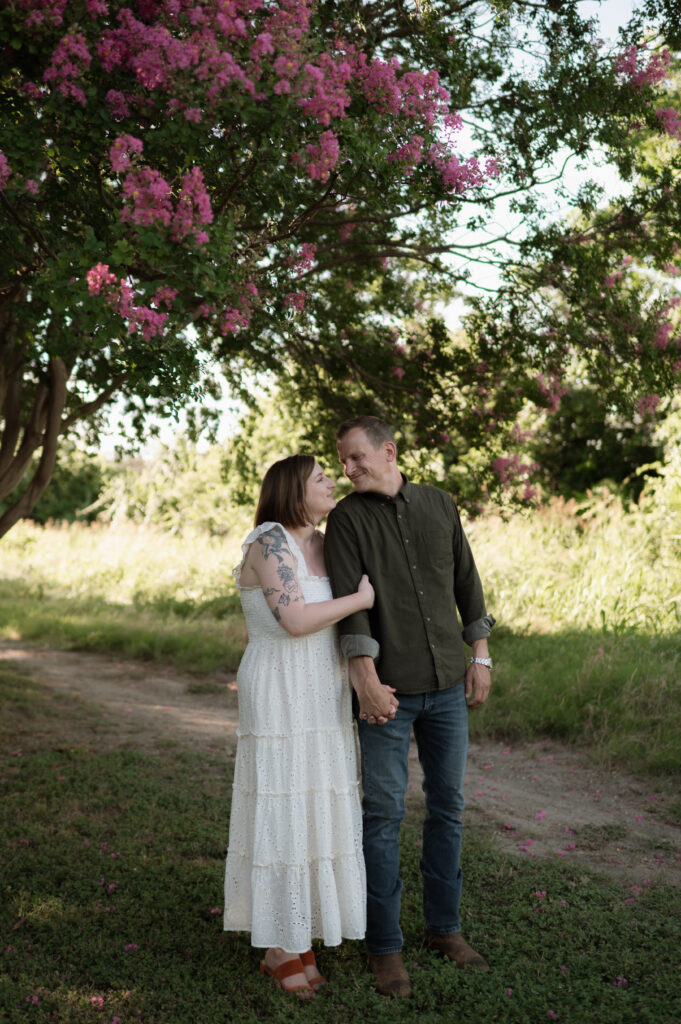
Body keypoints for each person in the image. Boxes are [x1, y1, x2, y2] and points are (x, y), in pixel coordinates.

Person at [324, 416, 495, 999]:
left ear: (389, 451)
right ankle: (385, 946)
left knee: (448, 808)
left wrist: (481, 655)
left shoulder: (440, 505)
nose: (348, 468)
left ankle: (444, 929)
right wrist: (366, 680)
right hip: (388, 694)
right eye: (342, 461)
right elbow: (351, 606)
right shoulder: (346, 519)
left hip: (448, 685)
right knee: (382, 816)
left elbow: (467, 582)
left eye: (356, 457)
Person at [223, 454, 374, 1000]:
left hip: (322, 684)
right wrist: (360, 599)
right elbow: (293, 620)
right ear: (293, 489)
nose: (333, 481)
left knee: (315, 804)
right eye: (320, 478)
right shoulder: (269, 542)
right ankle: (279, 948)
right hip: (280, 683)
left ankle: (299, 932)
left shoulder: (328, 542)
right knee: (284, 803)